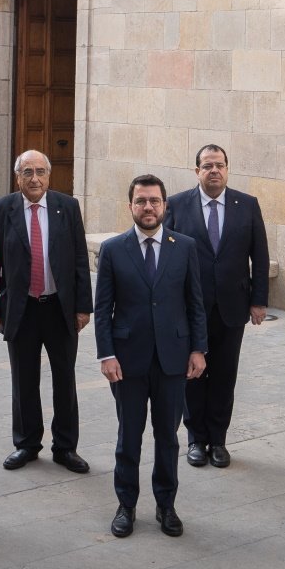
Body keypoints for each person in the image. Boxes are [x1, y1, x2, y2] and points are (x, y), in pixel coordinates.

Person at [95, 174, 208, 539]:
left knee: (168, 437)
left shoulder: (185, 246)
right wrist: (107, 355)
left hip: (173, 359)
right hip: (127, 361)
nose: (148, 207)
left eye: (154, 201)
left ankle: (166, 505)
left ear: (165, 205)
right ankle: (126, 504)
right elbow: (102, 310)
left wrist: (198, 349)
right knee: (129, 436)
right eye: (141, 201)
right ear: (130, 206)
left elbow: (195, 303)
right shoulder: (113, 249)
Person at [0, 150, 91, 473]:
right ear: (18, 177)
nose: (35, 178)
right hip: (22, 309)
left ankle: (65, 446)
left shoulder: (67, 207)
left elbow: (80, 260)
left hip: (60, 308)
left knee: (65, 379)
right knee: (24, 380)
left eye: (41, 172)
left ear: (49, 175)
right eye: (28, 172)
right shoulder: (2, 210)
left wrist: (83, 307)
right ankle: (26, 443)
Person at [164, 144, 267, 469]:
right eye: (207, 166)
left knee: (224, 374)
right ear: (197, 171)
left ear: (227, 168)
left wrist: (259, 299)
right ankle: (196, 439)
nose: (214, 171)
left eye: (219, 165)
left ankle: (218, 440)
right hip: (189, 308)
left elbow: (260, 255)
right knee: (193, 372)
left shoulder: (246, 205)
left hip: (232, 307)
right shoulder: (178, 205)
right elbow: (167, 257)